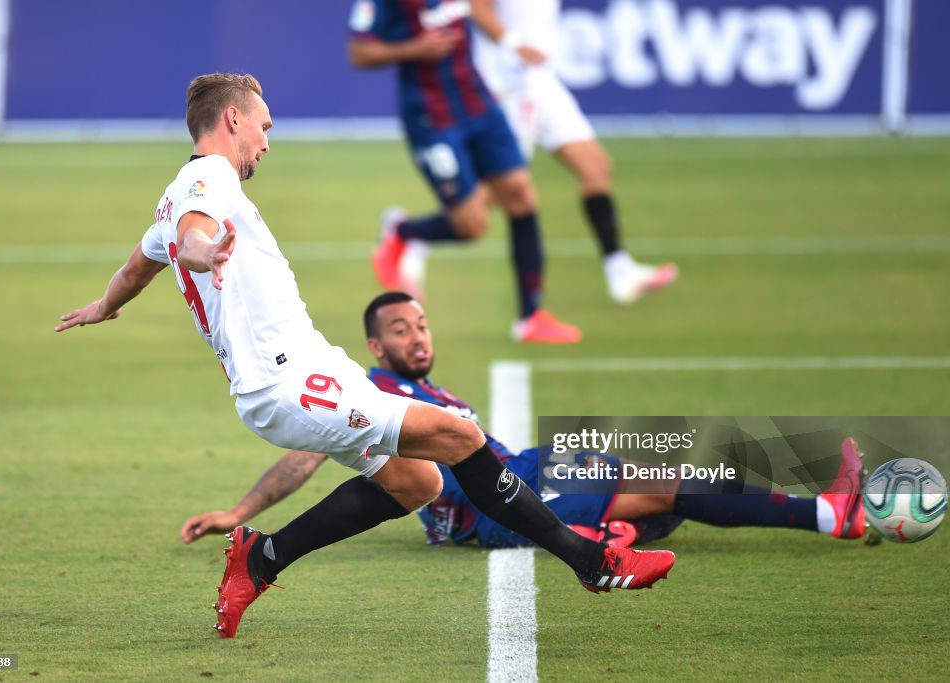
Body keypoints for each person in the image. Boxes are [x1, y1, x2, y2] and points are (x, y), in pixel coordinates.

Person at [54, 73, 675, 639]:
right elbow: (189, 235)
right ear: (234, 120)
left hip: (309, 370)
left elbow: (139, 265)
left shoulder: (175, 197)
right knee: (459, 435)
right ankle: (592, 562)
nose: (266, 144)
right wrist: (203, 252)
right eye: (264, 127)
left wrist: (105, 305)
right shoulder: (205, 179)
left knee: (418, 481)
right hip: (287, 383)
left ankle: (262, 558)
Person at [181, 291, 867, 553]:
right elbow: (307, 453)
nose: (416, 336)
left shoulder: (431, 387)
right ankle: (829, 515)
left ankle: (620, 527)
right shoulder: (368, 388)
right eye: (399, 329)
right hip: (487, 507)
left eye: (421, 323)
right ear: (376, 346)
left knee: (672, 477)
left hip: (527, 466)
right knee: (668, 488)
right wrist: (238, 508)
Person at [347, 0, 582, 344]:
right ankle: (403, 231)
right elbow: (359, 52)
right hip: (431, 116)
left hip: (477, 100)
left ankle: (530, 316)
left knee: (519, 191)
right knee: (471, 226)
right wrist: (416, 48)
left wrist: (514, 46)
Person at [469, 0, 678, 305]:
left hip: (542, 77)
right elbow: (477, 8)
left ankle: (620, 271)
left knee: (596, 168)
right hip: (511, 80)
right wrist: (515, 44)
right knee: (505, 188)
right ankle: (412, 237)